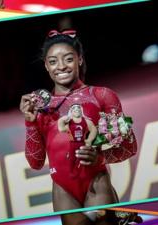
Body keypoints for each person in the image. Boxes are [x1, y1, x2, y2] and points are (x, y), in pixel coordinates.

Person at [19, 29, 138, 224]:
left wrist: (100, 157)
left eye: (68, 59)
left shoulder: (102, 96)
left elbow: (129, 147)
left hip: (97, 184)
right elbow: (36, 163)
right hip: (63, 191)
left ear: (80, 59)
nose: (61, 67)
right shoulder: (39, 108)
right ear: (46, 67)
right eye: (53, 62)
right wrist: (30, 122)